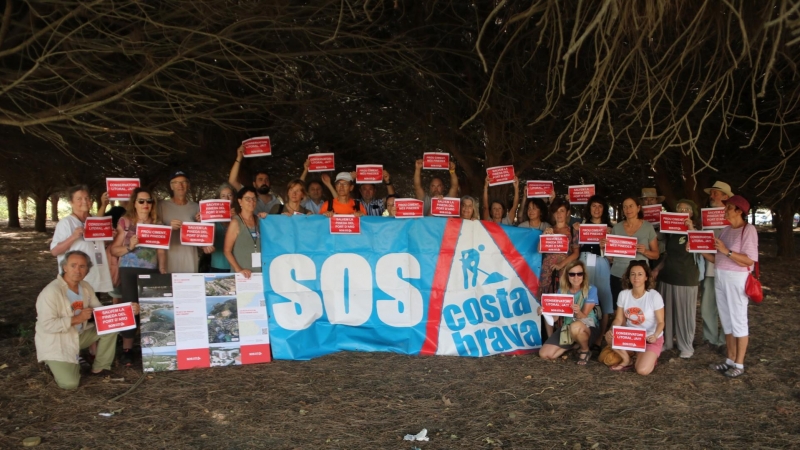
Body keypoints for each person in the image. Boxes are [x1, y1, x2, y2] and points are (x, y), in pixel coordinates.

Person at [35, 251, 138, 389]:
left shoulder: (85, 286)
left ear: (87, 270)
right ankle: (53, 361)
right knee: (70, 384)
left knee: (111, 326)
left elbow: (101, 312)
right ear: (64, 267)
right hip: (58, 341)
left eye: (82, 266)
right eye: (73, 265)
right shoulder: (51, 292)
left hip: (79, 335)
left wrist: (127, 310)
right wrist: (77, 318)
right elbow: (47, 325)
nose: (78, 270)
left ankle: (100, 368)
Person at [110, 188, 167, 366]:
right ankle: (127, 349)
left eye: (148, 201)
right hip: (128, 270)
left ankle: (151, 348)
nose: (145, 205)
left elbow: (161, 251)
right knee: (130, 309)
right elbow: (114, 249)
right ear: (134, 203)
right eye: (141, 201)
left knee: (151, 309)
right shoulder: (125, 222)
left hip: (151, 271)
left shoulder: (158, 223)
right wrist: (130, 247)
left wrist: (163, 271)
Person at [702, 195, 758, 378]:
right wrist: (700, 250)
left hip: (737, 279)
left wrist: (727, 251)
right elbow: (718, 258)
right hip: (720, 276)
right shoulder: (726, 230)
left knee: (738, 321)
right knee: (726, 321)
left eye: (729, 207)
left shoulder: (748, 230)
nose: (725, 210)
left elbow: (749, 260)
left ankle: (739, 364)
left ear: (739, 211)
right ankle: (730, 360)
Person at [652, 199, 701, 358]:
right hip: (667, 276)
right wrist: (658, 269)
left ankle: (686, 345)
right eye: (679, 209)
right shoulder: (671, 230)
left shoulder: (697, 230)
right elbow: (668, 254)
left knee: (685, 313)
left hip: (686, 277)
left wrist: (691, 229)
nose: (681, 211)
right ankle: (666, 342)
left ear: (692, 213)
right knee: (667, 312)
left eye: (685, 209)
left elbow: (701, 247)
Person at [50, 185, 114, 294]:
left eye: (87, 198)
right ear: (71, 202)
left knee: (94, 307)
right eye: (79, 199)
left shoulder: (95, 220)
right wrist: (73, 237)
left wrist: (109, 237)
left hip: (94, 277)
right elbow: (54, 251)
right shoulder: (66, 223)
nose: (84, 201)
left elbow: (98, 245)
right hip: (75, 279)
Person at [605, 260, 665, 375]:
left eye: (640, 274)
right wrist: (612, 330)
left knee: (642, 370)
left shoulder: (654, 296)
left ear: (646, 277)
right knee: (609, 337)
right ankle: (627, 359)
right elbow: (618, 319)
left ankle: (646, 355)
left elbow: (661, 322)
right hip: (631, 336)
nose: (636, 277)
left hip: (649, 338)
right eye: (633, 274)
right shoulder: (624, 294)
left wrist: (655, 335)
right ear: (628, 277)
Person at [538, 260, 599, 366]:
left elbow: (583, 315)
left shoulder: (591, 289)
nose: (576, 277)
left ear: (584, 275)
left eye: (579, 274)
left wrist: (577, 311)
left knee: (575, 327)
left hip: (586, 326)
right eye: (572, 274)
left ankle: (585, 350)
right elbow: (555, 319)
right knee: (545, 354)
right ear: (567, 276)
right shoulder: (562, 291)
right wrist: (545, 311)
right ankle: (574, 345)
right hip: (568, 327)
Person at [604, 196, 659, 311]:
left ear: (638, 208)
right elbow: (611, 257)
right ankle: (620, 329)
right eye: (625, 207)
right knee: (619, 309)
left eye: (631, 206)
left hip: (639, 277)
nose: (628, 209)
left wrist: (645, 251)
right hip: (618, 274)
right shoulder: (617, 228)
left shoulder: (648, 227)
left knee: (639, 310)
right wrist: (604, 247)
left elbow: (656, 254)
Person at [573, 195, 613, 348]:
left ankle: (599, 337)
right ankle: (583, 335)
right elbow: (575, 246)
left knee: (603, 297)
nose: (596, 209)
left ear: (604, 209)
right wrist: (576, 231)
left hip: (601, 261)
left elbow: (613, 255)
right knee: (583, 296)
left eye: (600, 206)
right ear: (589, 208)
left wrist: (607, 243)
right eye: (594, 206)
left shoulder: (610, 228)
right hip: (583, 261)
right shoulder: (581, 225)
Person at [700, 181, 734, 350]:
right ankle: (710, 339)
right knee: (707, 306)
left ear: (726, 197)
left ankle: (724, 341)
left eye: (716, 193)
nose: (712, 196)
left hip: (729, 270)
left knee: (727, 307)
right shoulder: (705, 216)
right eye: (711, 193)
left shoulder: (732, 217)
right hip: (709, 269)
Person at [159, 171, 205, 273]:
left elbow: (201, 235)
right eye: (176, 182)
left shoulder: (196, 207)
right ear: (171, 186)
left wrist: (202, 222)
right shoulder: (161, 206)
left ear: (188, 185)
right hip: (168, 257)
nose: (180, 185)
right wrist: (168, 227)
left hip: (189, 256)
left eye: (184, 182)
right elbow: (153, 232)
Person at [229, 145, 282, 214]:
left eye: (267, 180)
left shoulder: (276, 202)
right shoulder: (249, 196)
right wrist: (239, 158)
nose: (264, 182)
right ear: (254, 184)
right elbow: (232, 181)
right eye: (260, 179)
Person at [225, 187, 263, 278]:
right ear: (240, 201)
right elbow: (227, 251)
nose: (251, 201)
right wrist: (238, 269)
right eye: (247, 199)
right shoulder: (236, 223)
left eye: (254, 198)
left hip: (259, 273)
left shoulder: (259, 221)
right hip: (243, 274)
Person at [209, 183, 236, 273]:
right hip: (217, 264)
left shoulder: (240, 217)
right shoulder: (211, 217)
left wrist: (237, 219)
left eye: (230, 195)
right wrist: (200, 221)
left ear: (234, 198)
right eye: (223, 196)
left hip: (237, 265)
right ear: (218, 199)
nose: (227, 199)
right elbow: (204, 238)